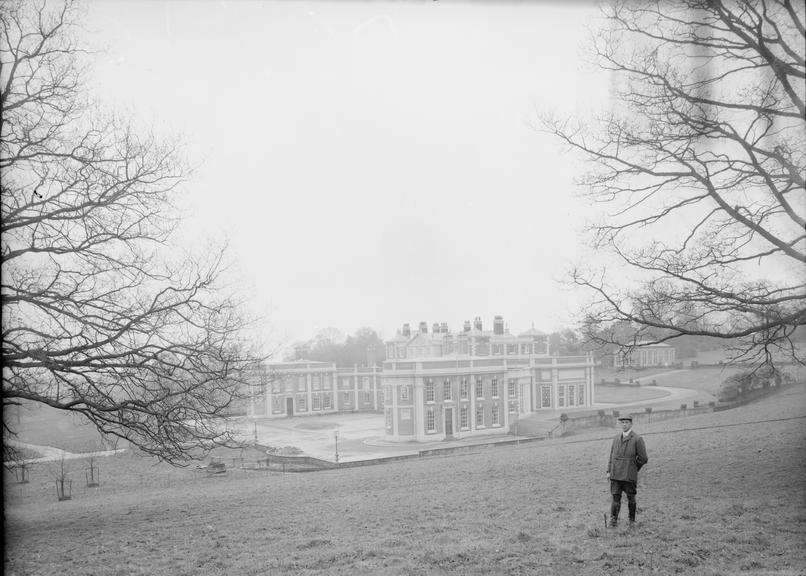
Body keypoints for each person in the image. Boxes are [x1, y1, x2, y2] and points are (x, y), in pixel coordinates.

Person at [606, 414, 648, 527]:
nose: (624, 424)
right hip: (615, 474)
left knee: (631, 498)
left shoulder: (637, 439)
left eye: (626, 422)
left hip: (628, 475)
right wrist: (608, 471)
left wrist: (633, 467)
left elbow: (644, 458)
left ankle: (632, 522)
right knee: (615, 498)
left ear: (631, 424)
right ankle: (613, 522)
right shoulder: (615, 438)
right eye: (622, 422)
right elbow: (611, 456)